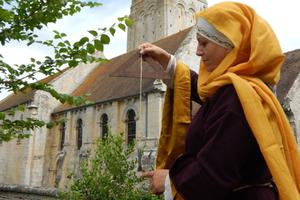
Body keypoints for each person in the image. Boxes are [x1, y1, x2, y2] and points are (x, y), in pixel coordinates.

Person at [139, 2, 300, 200]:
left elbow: (213, 174)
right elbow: (213, 101)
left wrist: (168, 181)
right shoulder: (241, 89)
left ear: (230, 46)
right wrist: (170, 64)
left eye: (204, 43)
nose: (198, 51)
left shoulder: (238, 98)